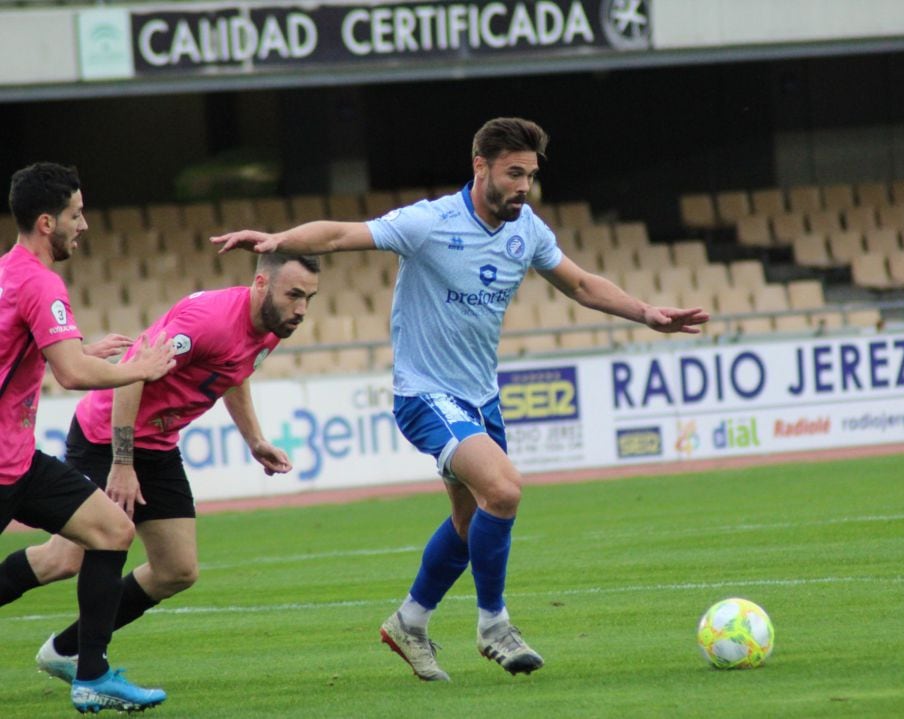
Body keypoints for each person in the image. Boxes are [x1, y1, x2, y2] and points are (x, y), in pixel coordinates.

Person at [212, 117, 710, 682]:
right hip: (424, 394)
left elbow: (580, 283)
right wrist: (280, 241)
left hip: (481, 399)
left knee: (470, 519)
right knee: (503, 488)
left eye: (531, 174)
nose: (524, 185)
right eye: (513, 173)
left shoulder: (528, 232)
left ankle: (411, 619)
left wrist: (646, 313)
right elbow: (341, 235)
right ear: (481, 167)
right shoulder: (430, 222)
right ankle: (494, 623)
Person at [4, 252, 320, 689]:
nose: (301, 309)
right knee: (64, 559)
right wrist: (123, 461)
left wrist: (254, 439)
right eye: (294, 295)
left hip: (158, 446)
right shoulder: (207, 320)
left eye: (309, 298)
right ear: (262, 284)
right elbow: (135, 374)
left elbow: (234, 372)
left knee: (177, 570)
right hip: (105, 436)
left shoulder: (270, 329)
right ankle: (85, 664)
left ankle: (66, 649)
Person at [0, 162, 176, 713]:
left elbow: (52, 358)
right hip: (3, 462)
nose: (85, 225)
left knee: (110, 530)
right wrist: (140, 368)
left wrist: (80, 349)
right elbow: (72, 376)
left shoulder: (9, 272)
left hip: (19, 459)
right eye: (76, 214)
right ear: (48, 222)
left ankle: (92, 674)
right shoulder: (39, 281)